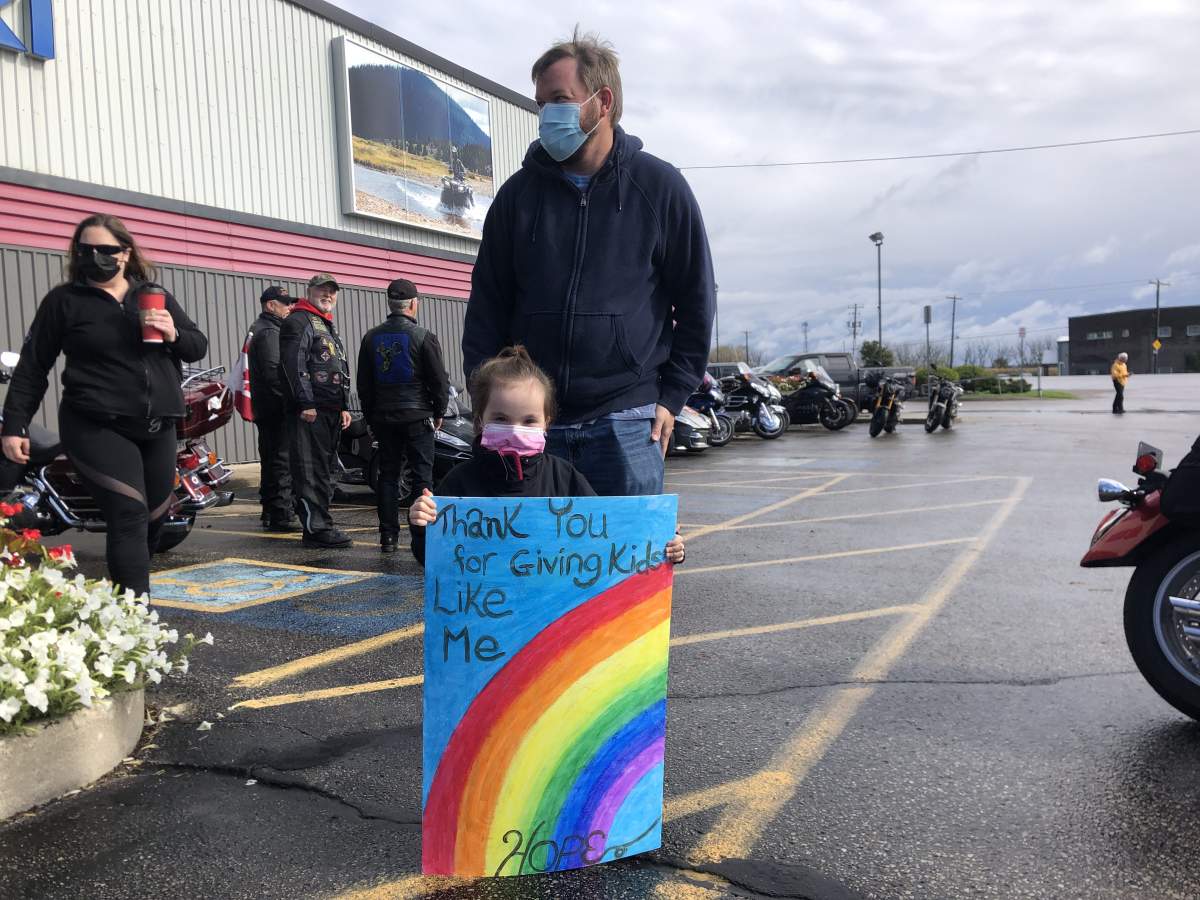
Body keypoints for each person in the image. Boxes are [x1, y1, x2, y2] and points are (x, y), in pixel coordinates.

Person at [461, 28, 715, 497]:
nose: (545, 114)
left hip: (629, 421)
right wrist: (485, 402)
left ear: (602, 102)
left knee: (626, 568)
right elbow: (487, 306)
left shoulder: (660, 189)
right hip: (532, 427)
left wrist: (673, 397)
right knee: (534, 566)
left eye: (559, 99)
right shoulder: (516, 198)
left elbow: (697, 301)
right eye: (540, 104)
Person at [1, 214, 208, 597]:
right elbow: (33, 366)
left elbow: (197, 345)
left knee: (156, 518)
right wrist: (15, 425)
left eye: (106, 250)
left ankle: (124, 600)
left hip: (157, 425)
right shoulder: (63, 302)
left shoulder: (153, 295)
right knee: (127, 515)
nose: (96, 257)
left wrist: (172, 331)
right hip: (95, 423)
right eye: (86, 250)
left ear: (126, 253)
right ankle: (136, 617)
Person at [408, 346, 684, 565]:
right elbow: (432, 560)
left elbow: (609, 536)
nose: (516, 429)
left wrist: (660, 541)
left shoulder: (564, 479)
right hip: (486, 628)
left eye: (529, 420)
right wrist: (423, 527)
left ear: (546, 423)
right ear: (480, 421)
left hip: (552, 633)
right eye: (501, 418)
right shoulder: (460, 484)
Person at [357, 278, 450, 554]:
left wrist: (371, 419)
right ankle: (421, 538)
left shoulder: (371, 338)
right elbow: (439, 381)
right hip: (418, 416)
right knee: (423, 477)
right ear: (413, 304)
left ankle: (388, 538)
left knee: (388, 475)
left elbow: (365, 385)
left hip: (384, 419)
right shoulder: (423, 336)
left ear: (390, 304)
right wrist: (439, 411)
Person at [279, 273, 353, 548]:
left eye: (332, 291)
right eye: (322, 290)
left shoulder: (324, 323)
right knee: (309, 469)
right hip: (311, 411)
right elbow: (292, 363)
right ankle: (316, 529)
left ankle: (322, 523)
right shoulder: (299, 320)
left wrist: (344, 406)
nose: (328, 295)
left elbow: (337, 366)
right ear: (309, 291)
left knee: (324, 470)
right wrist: (305, 402)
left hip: (330, 410)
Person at [247, 285, 298, 531]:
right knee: (281, 461)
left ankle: (271, 511)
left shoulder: (264, 328)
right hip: (276, 409)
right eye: (285, 303)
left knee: (271, 460)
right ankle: (281, 515)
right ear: (270, 305)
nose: (290, 307)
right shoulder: (269, 332)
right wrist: (291, 404)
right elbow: (273, 374)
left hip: (267, 408)